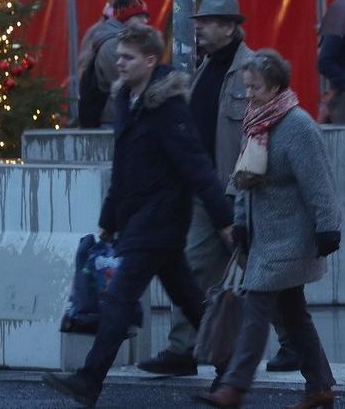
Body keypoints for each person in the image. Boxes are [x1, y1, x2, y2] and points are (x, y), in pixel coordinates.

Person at [42, 24, 235, 408]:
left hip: (160, 220)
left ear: (150, 60)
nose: (120, 63)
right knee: (190, 299)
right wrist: (108, 220)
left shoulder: (166, 107)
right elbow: (124, 167)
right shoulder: (129, 100)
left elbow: (196, 165)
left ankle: (89, 380)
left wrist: (223, 219)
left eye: (128, 57)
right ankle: (231, 368)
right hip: (139, 220)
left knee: (119, 297)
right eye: (118, 57)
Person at [139, 0, 290, 378]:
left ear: (228, 27)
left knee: (259, 268)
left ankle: (293, 343)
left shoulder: (252, 68)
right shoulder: (206, 68)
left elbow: (270, 127)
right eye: (198, 21)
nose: (199, 28)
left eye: (206, 22)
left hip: (240, 191)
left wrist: (251, 188)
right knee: (193, 266)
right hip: (207, 191)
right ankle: (182, 349)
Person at [199, 51, 340, 409]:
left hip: (290, 239)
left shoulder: (298, 127)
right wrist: (243, 223)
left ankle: (234, 386)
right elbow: (246, 180)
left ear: (275, 86)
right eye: (246, 86)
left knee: (256, 306)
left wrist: (328, 227)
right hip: (265, 239)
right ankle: (320, 386)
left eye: (255, 87)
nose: (248, 94)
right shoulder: (256, 123)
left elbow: (319, 183)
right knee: (294, 313)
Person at [78, 0, 150, 129]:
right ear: (124, 17)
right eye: (138, 16)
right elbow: (126, 81)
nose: (145, 21)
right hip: (113, 119)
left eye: (146, 16)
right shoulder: (113, 44)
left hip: (120, 117)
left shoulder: (122, 40)